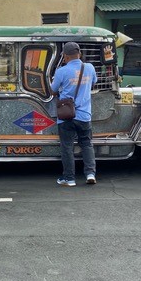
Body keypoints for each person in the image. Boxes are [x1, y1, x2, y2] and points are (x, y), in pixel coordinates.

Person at [50, 42, 97, 187]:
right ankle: (90, 174)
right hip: (84, 115)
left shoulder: (61, 71)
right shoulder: (89, 68)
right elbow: (93, 84)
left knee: (67, 147)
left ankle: (69, 179)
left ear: (65, 56)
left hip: (66, 115)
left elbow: (52, 90)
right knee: (87, 144)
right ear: (80, 54)